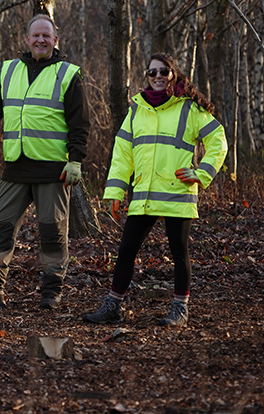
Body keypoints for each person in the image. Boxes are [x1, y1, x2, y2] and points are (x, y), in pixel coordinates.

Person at [0, 14, 89, 310]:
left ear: (56, 40)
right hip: (15, 167)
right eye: (35, 35)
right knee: (1, 228)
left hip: (54, 170)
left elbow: (80, 124)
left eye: (47, 36)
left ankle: (51, 292)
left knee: (52, 232)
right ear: (26, 40)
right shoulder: (9, 71)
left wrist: (76, 160)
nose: (41, 40)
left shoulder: (67, 74)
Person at [83, 53, 227, 327]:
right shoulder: (137, 109)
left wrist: (201, 173)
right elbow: (122, 154)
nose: (158, 76)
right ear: (146, 77)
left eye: (164, 71)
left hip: (177, 192)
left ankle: (179, 310)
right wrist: (114, 191)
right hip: (144, 194)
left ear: (174, 74)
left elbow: (218, 141)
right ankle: (113, 306)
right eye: (153, 72)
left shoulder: (189, 108)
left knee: (179, 252)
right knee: (126, 250)